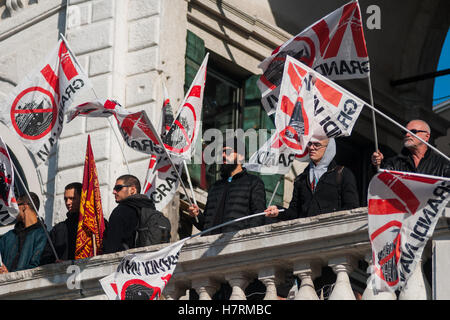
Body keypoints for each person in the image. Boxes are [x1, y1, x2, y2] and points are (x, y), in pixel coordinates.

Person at [188, 137, 268, 235]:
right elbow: (205, 226)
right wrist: (196, 215)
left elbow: (259, 216)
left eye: (228, 152)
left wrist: (243, 239)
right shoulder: (215, 187)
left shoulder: (253, 182)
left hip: (236, 245)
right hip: (210, 245)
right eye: (222, 153)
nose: (223, 155)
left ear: (241, 156)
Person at [265, 138, 359, 220]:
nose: (311, 147)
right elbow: (294, 213)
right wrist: (279, 211)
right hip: (306, 234)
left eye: (317, 145)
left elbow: (351, 206)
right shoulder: (301, 178)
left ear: (328, 148)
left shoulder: (342, 173)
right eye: (309, 144)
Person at [103, 174, 160, 254]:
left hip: (126, 263)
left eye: (118, 188)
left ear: (132, 190)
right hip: (148, 261)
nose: (114, 192)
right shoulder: (150, 209)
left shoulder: (120, 211)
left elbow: (111, 247)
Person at [371, 119, 449, 177]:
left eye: (413, 132)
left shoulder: (443, 164)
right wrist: (377, 165)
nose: (407, 135)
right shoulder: (394, 163)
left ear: (427, 136)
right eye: (405, 132)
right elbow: (381, 181)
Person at [0, 192, 47, 273]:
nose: (13, 209)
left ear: (24, 206)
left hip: (29, 285)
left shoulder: (43, 235)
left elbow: (37, 265)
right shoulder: (8, 237)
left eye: (16, 205)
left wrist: (10, 274)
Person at [40, 183, 83, 265]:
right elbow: (45, 258)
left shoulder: (93, 225)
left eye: (72, 198)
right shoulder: (58, 229)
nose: (68, 202)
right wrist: (54, 263)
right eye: (65, 199)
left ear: (82, 198)